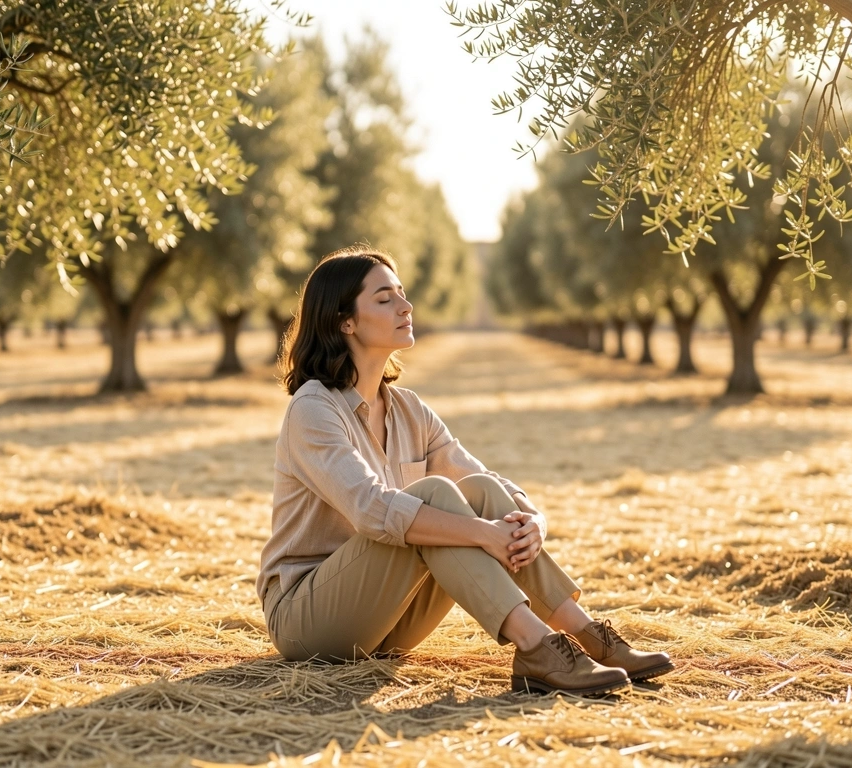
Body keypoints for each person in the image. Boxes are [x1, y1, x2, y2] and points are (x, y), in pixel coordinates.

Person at [257, 247, 674, 695]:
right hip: (309, 620)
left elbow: (483, 480)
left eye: (402, 293)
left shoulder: (409, 409)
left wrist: (533, 520)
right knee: (432, 496)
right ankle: (536, 646)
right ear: (346, 321)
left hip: (389, 622)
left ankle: (587, 635)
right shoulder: (314, 408)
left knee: (479, 491)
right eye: (384, 298)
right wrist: (481, 534)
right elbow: (372, 511)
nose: (406, 305)